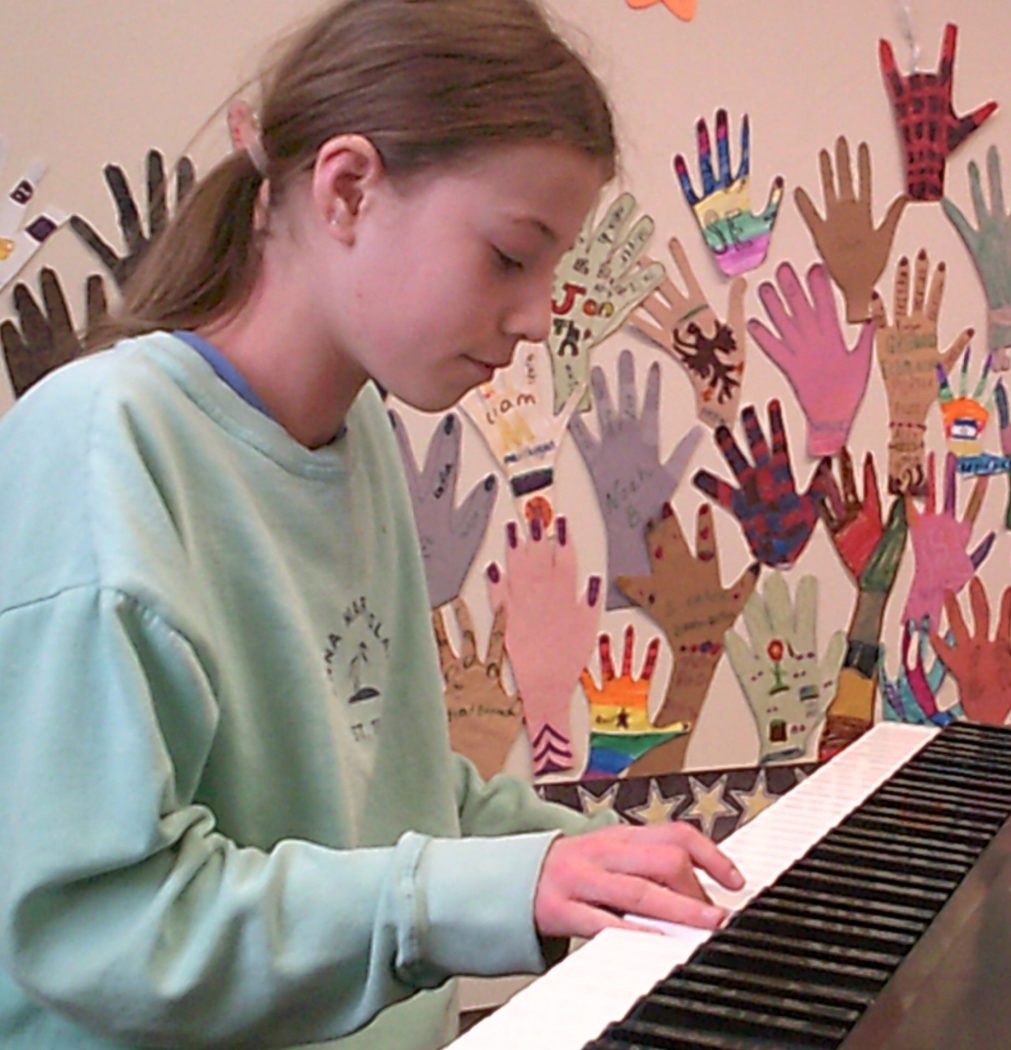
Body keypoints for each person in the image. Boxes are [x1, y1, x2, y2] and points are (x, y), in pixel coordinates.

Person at [0, 1, 743, 1047]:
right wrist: (478, 894)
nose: (536, 318)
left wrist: (590, 857)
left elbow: (384, 795)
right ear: (347, 188)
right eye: (508, 257)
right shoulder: (99, 448)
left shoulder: (355, 432)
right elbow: (101, 925)